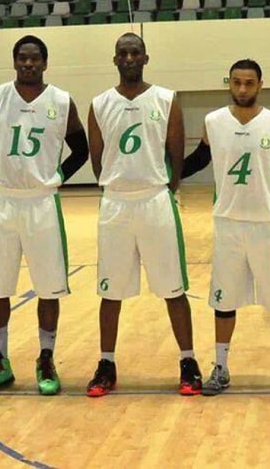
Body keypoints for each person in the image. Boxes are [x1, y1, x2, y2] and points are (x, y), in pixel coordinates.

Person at [183, 59, 270, 396]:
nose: (243, 89)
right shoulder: (213, 121)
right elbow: (199, 158)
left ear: (260, 84)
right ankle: (221, 368)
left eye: (250, 83)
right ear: (230, 83)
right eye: (238, 82)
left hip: (267, 224)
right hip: (228, 223)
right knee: (224, 302)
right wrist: (167, 176)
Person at [0, 35, 89, 396]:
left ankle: (46, 358)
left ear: (45, 63)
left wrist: (59, 177)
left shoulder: (62, 101)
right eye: (22, 58)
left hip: (41, 203)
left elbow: (80, 149)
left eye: (35, 59)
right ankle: (0, 361)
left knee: (48, 286)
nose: (28, 64)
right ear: (14, 61)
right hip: (2, 202)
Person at [85, 32, 202, 397]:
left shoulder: (166, 99)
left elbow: (176, 152)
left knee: (173, 288)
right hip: (116, 202)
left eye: (136, 52)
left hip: (155, 200)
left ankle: (188, 361)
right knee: (110, 291)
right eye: (124, 53)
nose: (130, 58)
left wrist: (168, 186)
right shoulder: (100, 103)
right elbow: (97, 160)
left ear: (146, 58)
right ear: (115, 59)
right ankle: (106, 363)